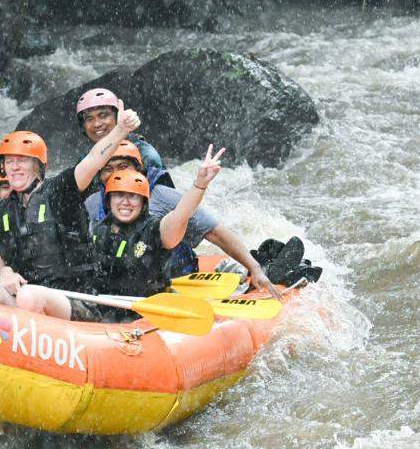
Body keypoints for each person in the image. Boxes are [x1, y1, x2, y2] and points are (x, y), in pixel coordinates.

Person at [0, 109, 143, 319]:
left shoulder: (60, 191)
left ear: (38, 166)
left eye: (22, 161)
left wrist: (120, 130)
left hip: (77, 299)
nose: (15, 168)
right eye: (9, 162)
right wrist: (4, 272)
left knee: (29, 296)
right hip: (27, 295)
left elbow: (93, 161)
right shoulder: (2, 211)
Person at [84, 140, 280, 297]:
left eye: (123, 166)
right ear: (99, 175)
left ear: (139, 170)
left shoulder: (162, 196)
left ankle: (245, 268)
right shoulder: (93, 203)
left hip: (170, 277)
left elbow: (214, 232)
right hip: (120, 284)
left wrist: (254, 268)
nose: (117, 173)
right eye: (108, 169)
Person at [91, 145, 225, 322]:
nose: (125, 202)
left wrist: (199, 185)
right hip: (105, 307)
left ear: (144, 202)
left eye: (133, 196)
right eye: (119, 195)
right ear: (109, 200)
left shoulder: (154, 229)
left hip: (143, 312)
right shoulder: (100, 229)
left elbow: (181, 214)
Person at [76, 88, 164, 170]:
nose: (97, 124)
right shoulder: (84, 160)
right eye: (89, 119)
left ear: (117, 117)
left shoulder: (145, 154)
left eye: (103, 116)